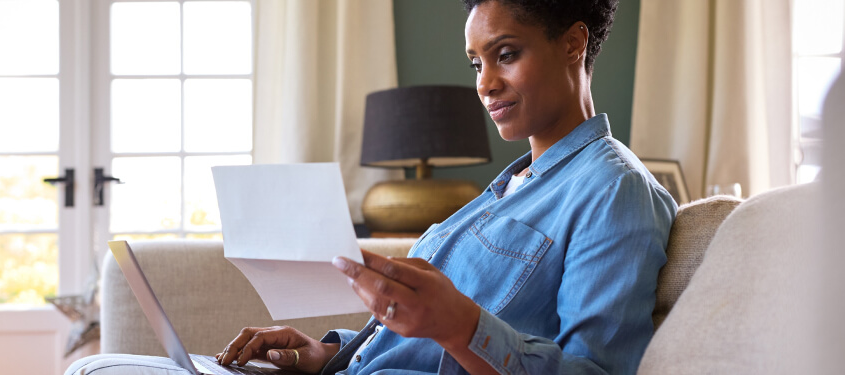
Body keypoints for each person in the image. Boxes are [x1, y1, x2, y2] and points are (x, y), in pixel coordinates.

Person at [67, 0, 675, 374]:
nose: (485, 83)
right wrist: (324, 354)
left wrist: (459, 324)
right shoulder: (514, 183)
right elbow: (418, 343)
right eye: (476, 63)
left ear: (573, 44)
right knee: (99, 367)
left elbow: (596, 373)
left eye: (506, 54)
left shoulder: (613, 193)